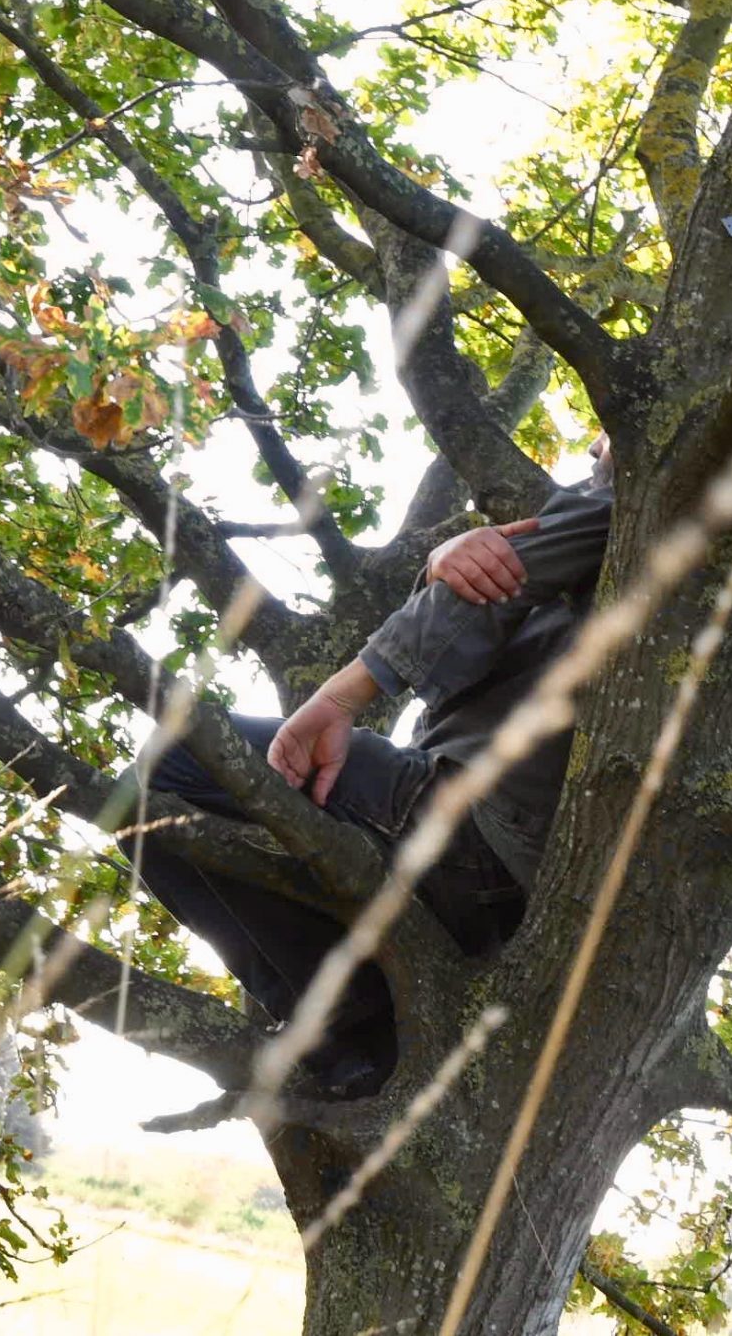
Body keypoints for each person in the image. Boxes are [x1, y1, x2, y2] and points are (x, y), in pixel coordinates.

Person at [136, 441, 615, 1098]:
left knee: (175, 763)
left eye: (606, 435)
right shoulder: (595, 562)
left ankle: (352, 1024)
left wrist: (337, 698)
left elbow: (511, 574)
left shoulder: (651, 495)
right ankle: (351, 1023)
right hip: (474, 853)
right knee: (150, 818)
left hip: (475, 833)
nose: (592, 444)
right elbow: (462, 659)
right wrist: (442, 569)